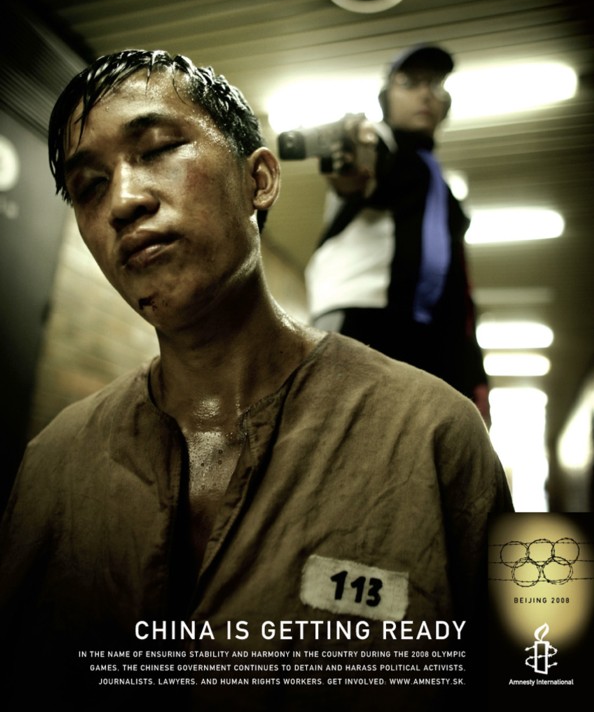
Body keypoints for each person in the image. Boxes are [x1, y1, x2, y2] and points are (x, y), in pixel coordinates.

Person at [0, 49, 512, 711]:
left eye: (158, 150)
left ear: (260, 180)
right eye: (90, 186)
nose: (123, 201)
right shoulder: (51, 466)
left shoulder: (436, 438)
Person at [305, 44, 490, 421]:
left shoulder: (440, 186)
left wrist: (472, 367)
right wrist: (349, 153)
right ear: (386, 97)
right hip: (363, 319)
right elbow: (358, 166)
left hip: (429, 334)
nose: (425, 93)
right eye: (410, 82)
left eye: (435, 84)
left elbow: (457, 283)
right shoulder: (380, 141)